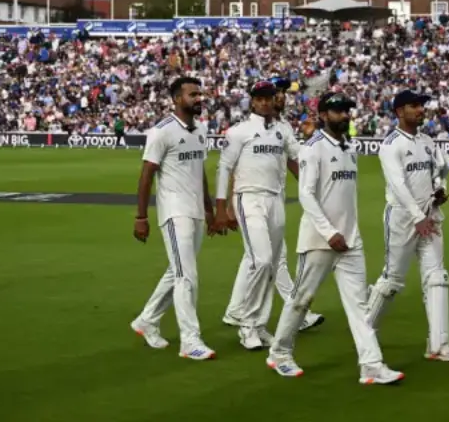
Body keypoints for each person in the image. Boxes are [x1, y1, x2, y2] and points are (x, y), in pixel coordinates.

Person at [266, 91, 404, 385]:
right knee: (301, 299)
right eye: (339, 111)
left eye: (347, 110)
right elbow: (306, 194)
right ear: (324, 115)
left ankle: (371, 365)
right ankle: (279, 353)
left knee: (359, 307)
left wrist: (346, 233)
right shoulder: (312, 148)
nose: (345, 115)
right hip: (319, 239)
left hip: (350, 241)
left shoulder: (349, 147)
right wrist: (330, 233)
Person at [220, 77, 325, 344]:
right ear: (253, 102)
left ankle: (258, 324)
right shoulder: (239, 131)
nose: (266, 102)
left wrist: (313, 138)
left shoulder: (283, 129)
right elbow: (225, 169)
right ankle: (246, 323)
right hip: (249, 198)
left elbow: (299, 156)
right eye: (261, 99)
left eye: (269, 98)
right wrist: (222, 207)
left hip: (276, 200)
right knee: (262, 260)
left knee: (271, 264)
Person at [365, 90, 449, 362]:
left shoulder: (428, 141)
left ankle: (439, 345)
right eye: (413, 106)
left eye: (421, 105)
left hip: (430, 217)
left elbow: (441, 171)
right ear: (399, 111)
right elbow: (397, 185)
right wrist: (416, 216)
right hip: (402, 219)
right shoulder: (391, 144)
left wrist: (441, 190)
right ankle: (365, 331)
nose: (420, 110)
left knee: (437, 277)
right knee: (392, 281)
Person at [130, 76, 221, 361]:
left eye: (200, 94)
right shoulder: (162, 132)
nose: (199, 99)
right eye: (193, 94)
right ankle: (190, 341)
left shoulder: (201, 130)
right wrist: (141, 216)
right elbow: (146, 175)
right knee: (187, 276)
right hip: (174, 212)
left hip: (195, 211)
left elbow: (200, 173)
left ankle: (146, 319)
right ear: (176, 99)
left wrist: (209, 210)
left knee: (177, 271)